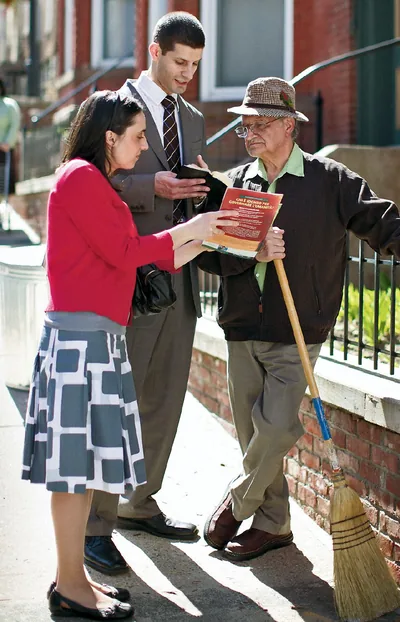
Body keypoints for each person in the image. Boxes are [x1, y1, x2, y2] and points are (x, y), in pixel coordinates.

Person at [21, 89, 237, 619]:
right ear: (109, 137)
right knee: (74, 475)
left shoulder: (96, 182)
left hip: (93, 341)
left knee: (85, 473)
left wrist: (207, 235)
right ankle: (70, 585)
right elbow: (128, 252)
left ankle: (74, 582)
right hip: (80, 343)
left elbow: (147, 257)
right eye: (138, 137)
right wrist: (193, 230)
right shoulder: (79, 178)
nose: (144, 147)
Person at [198, 76, 400, 562]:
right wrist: (253, 253)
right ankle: (274, 526)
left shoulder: (329, 180)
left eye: (259, 124)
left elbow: (382, 222)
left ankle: (236, 503)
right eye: (244, 125)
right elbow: (211, 257)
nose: (248, 133)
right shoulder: (240, 186)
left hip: (297, 330)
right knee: (252, 435)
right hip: (242, 328)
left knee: (275, 429)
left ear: (289, 126)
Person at [85, 11, 212, 575]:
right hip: (128, 278)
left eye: (195, 66)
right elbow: (84, 175)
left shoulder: (193, 119)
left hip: (180, 277)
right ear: (155, 51)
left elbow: (191, 194)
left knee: (164, 397)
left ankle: (140, 502)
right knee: (119, 399)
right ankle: (94, 526)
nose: (187, 74)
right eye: (180, 62)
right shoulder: (109, 109)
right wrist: (149, 185)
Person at [0, 78, 21, 227]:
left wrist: (7, 142)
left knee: (2, 185)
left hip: (3, 150)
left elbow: (14, 125)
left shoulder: (9, 105)